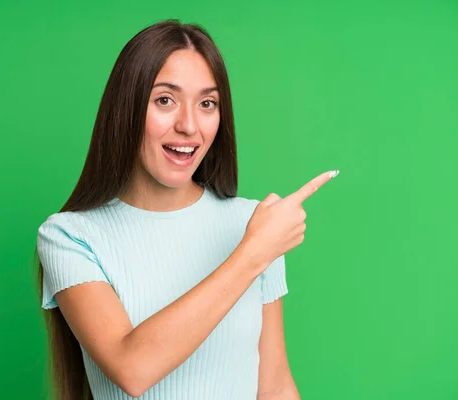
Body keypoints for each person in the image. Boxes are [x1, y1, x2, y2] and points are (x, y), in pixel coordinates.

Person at [35, 18, 339, 400]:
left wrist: (259, 245)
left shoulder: (254, 224)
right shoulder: (68, 236)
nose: (189, 126)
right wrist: (253, 254)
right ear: (126, 107)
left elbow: (275, 385)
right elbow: (132, 368)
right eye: (165, 100)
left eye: (207, 104)